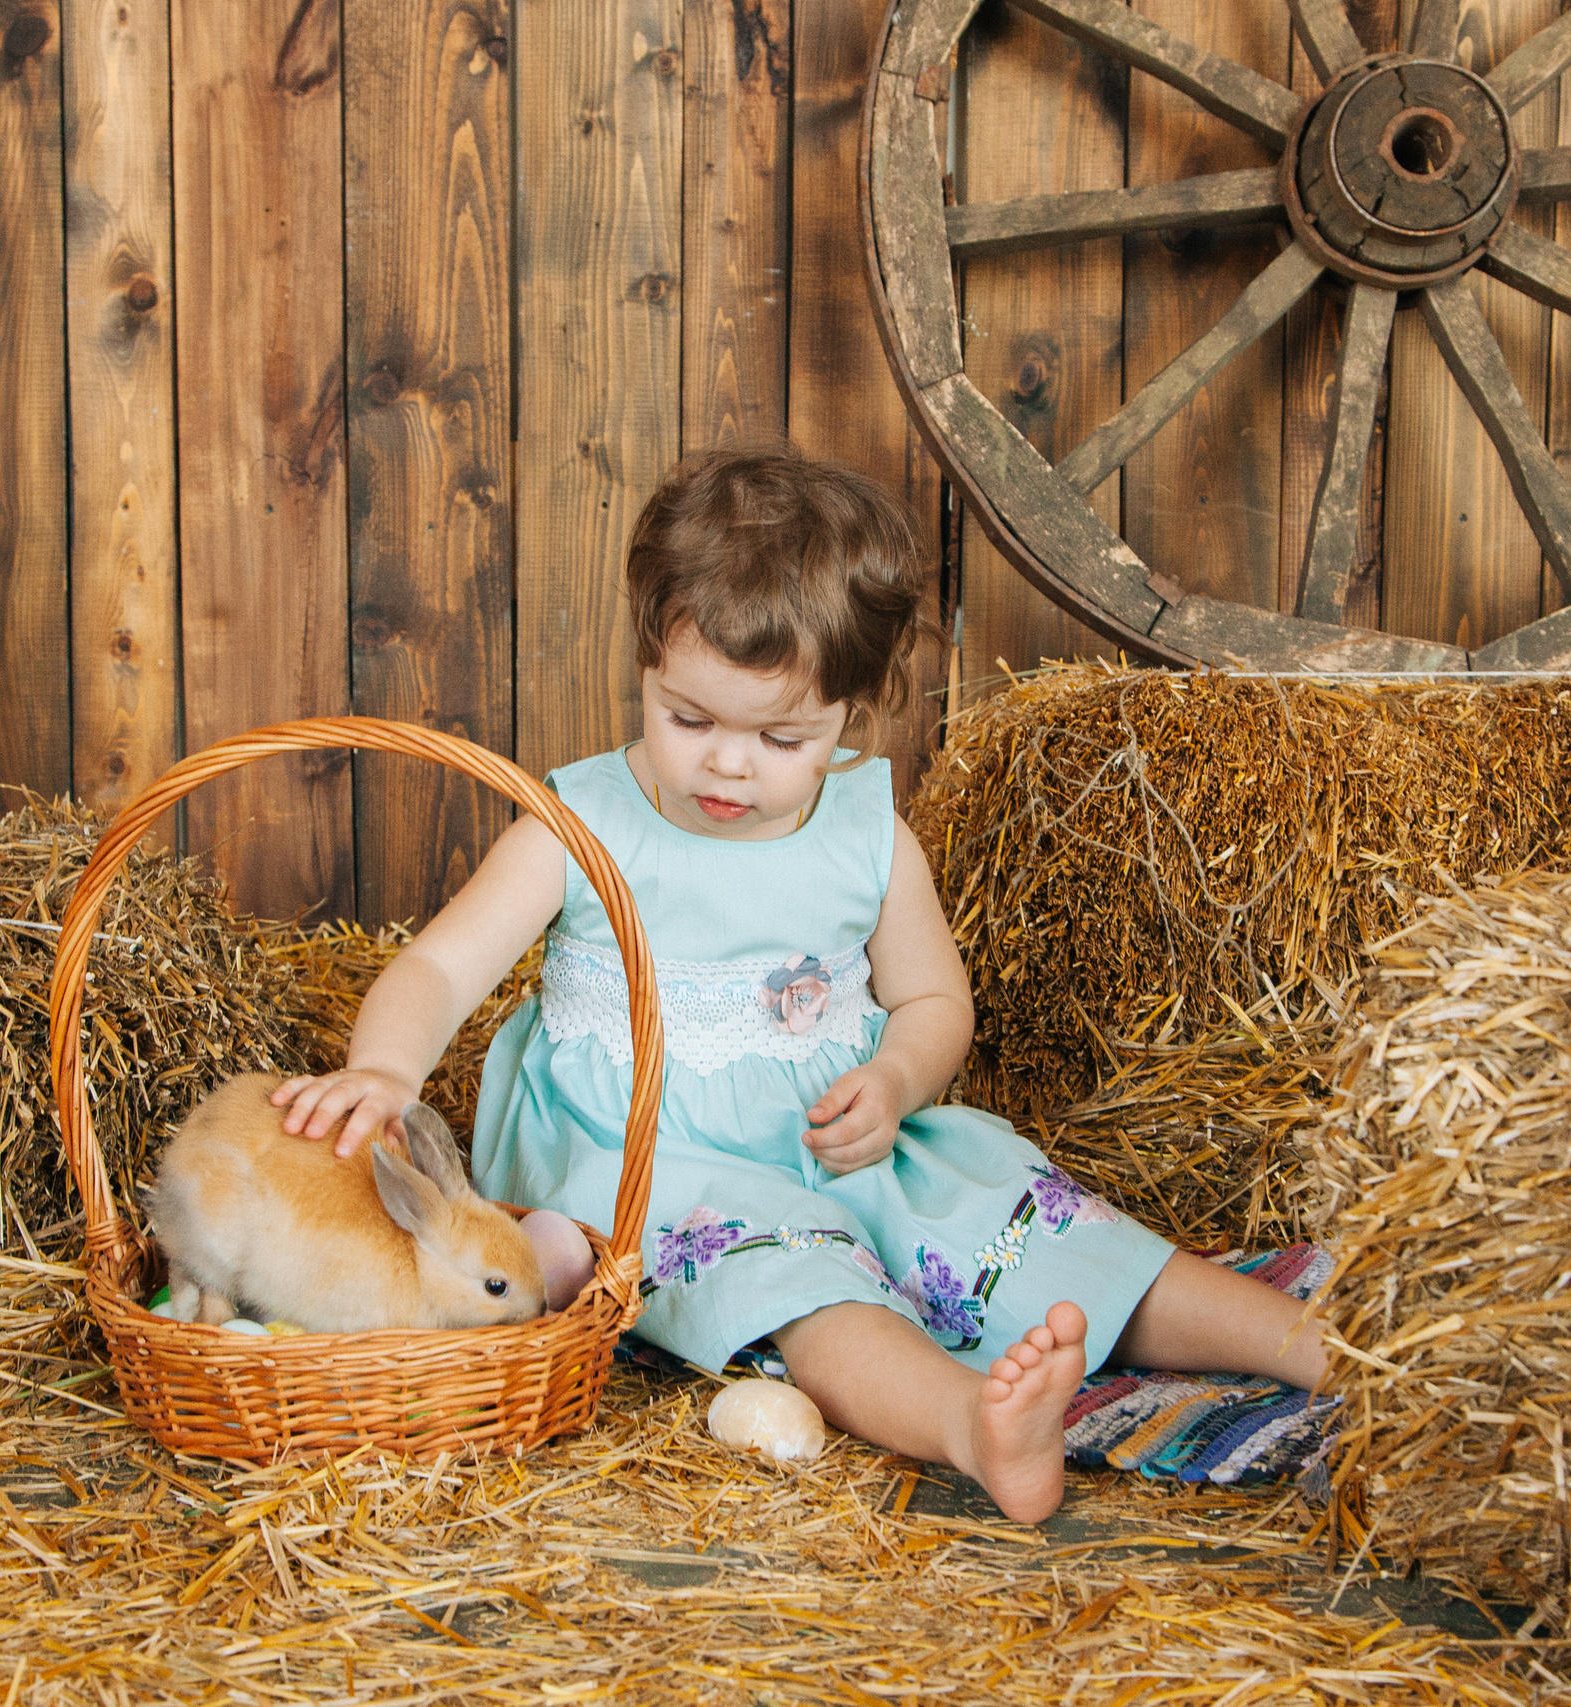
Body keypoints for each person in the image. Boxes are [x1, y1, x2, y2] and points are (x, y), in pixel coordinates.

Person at [266, 444, 1327, 1523]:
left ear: (852, 717)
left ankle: (1323, 1349)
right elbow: (442, 964)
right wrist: (386, 1068)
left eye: (780, 737)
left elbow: (933, 1004)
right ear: (646, 666)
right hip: (643, 1164)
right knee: (805, 1290)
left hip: (834, 1143)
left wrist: (899, 1084)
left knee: (1018, 1217)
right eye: (689, 719)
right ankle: (973, 1423)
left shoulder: (866, 835)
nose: (727, 765)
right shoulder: (580, 824)